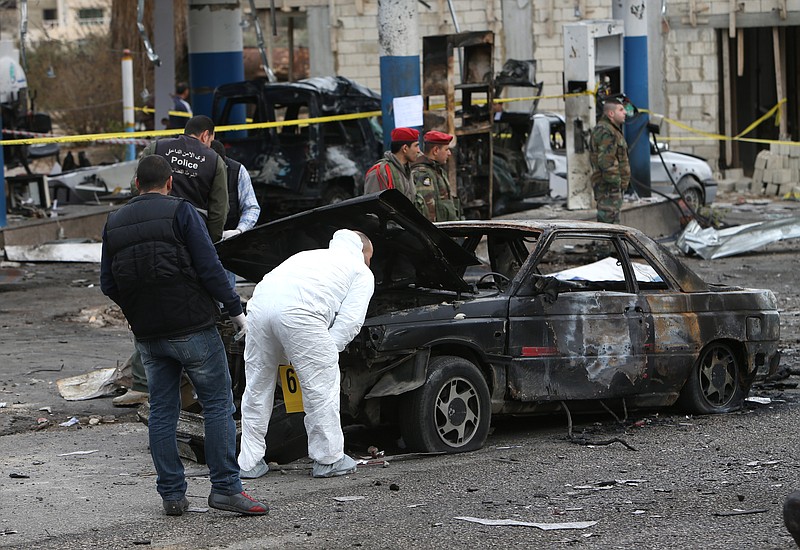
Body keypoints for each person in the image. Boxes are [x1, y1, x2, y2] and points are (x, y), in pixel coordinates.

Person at [100, 155, 268, 517]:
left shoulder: (114, 221)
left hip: (148, 334)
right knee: (219, 405)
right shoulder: (182, 212)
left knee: (162, 411)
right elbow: (209, 267)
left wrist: (136, 310)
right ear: (170, 183)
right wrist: (236, 311)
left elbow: (108, 283)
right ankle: (225, 488)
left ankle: (173, 496)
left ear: (135, 184)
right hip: (192, 327)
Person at [237, 229, 375, 479]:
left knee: (257, 386)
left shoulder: (307, 256)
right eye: (370, 257)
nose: (369, 263)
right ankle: (329, 459)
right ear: (362, 251)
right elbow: (350, 322)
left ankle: (248, 462)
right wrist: (323, 355)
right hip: (300, 314)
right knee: (321, 387)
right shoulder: (360, 271)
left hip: (258, 307)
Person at [114, 115, 230, 407]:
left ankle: (144, 384)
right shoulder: (214, 160)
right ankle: (192, 384)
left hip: (146, 238)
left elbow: (134, 186)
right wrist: (210, 243)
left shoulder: (157, 146)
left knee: (148, 307)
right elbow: (219, 211)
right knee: (191, 312)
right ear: (206, 135)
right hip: (190, 241)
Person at [589, 98, 630, 224]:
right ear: (611, 113)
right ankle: (603, 245)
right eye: (621, 110)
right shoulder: (605, 131)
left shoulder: (612, 130)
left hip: (613, 188)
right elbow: (606, 161)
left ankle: (609, 244)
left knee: (613, 224)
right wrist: (616, 182)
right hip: (608, 187)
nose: (625, 113)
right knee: (607, 223)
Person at [411, 130, 462, 222]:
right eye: (446, 149)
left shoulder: (437, 170)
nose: (449, 153)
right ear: (435, 150)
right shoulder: (423, 173)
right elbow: (427, 209)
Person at [364, 127, 420, 203]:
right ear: (405, 148)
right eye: (416, 146)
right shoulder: (380, 171)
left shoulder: (407, 170)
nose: (418, 151)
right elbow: (372, 205)